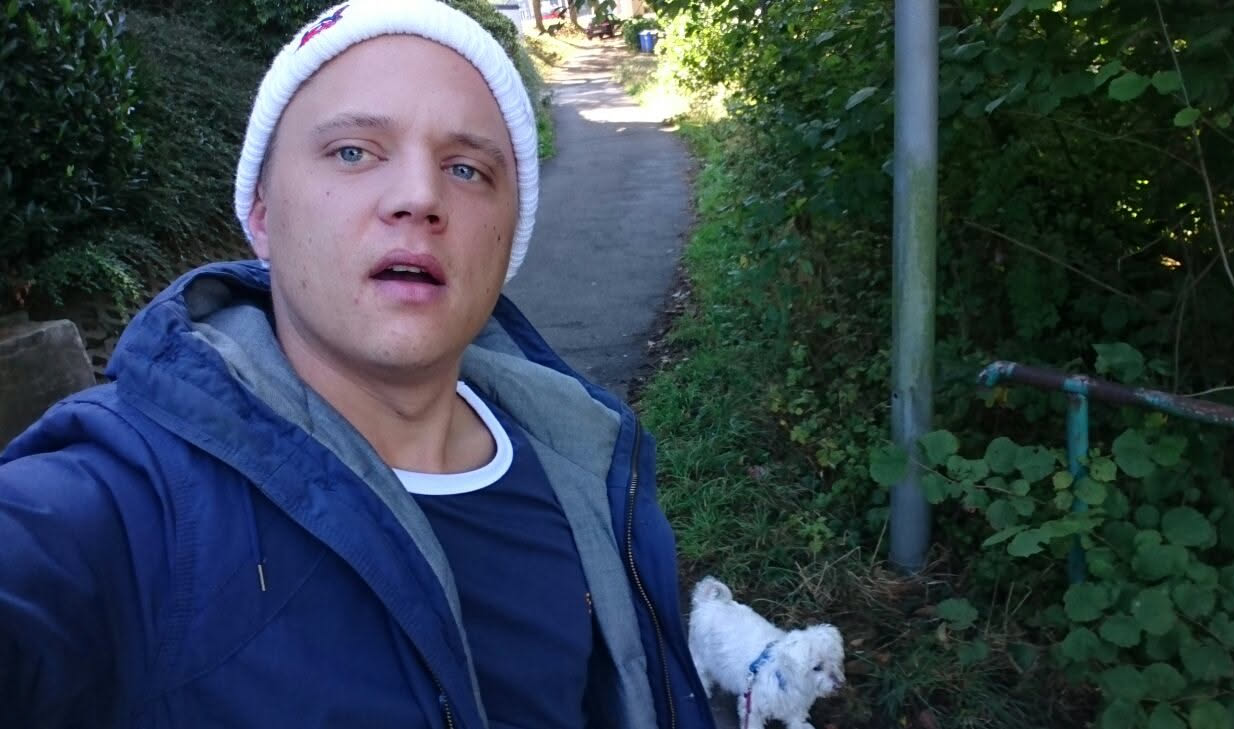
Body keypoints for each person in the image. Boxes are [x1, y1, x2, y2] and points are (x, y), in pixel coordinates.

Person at [0, 2, 715, 727]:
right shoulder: (128, 500)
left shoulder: (586, 463)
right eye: (352, 152)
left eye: (466, 169)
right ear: (262, 212)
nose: (419, 197)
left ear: (509, 236)